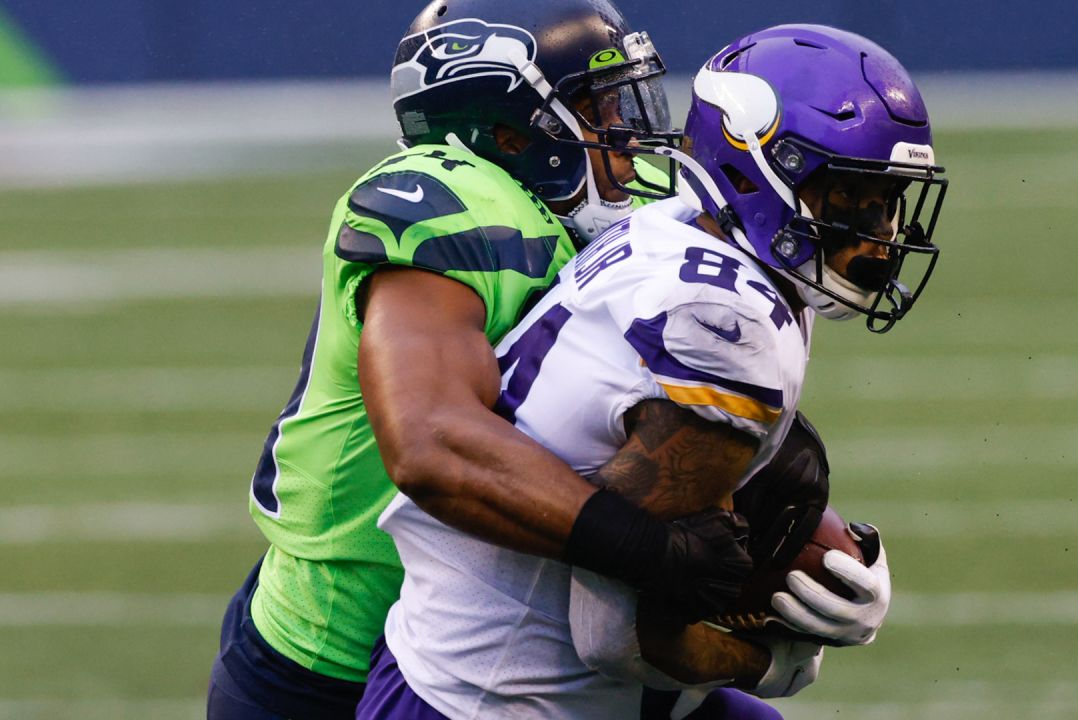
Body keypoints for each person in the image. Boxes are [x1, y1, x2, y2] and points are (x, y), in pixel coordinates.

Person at [361, 23, 947, 719]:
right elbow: (617, 637)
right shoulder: (732, 327)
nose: (880, 234)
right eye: (848, 197)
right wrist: (772, 666)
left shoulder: (684, 226)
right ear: (759, 169)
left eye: (887, 201)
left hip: (454, 650)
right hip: (494, 698)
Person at [206, 2, 754, 718]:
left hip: (508, 633)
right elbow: (434, 445)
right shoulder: (448, 206)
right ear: (509, 131)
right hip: (335, 660)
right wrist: (653, 552)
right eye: (599, 107)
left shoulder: (598, 224)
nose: (626, 136)